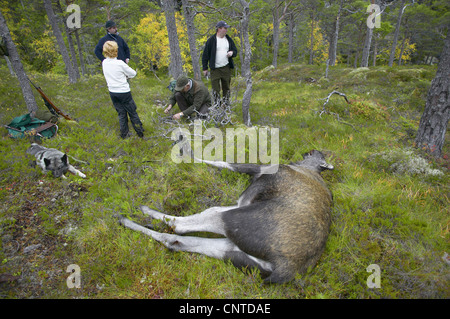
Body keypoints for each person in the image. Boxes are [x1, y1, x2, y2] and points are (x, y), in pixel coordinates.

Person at [102, 41, 144, 139]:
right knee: (132, 112)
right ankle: (140, 132)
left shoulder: (104, 63)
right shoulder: (120, 63)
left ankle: (124, 134)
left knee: (121, 113)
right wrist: (126, 75)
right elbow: (133, 73)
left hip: (112, 92)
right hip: (123, 92)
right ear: (116, 50)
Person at [202, 21, 238, 103]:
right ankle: (217, 106)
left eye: (226, 28)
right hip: (215, 69)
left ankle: (226, 105)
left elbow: (235, 51)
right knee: (216, 90)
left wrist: (232, 53)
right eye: (224, 28)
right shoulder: (211, 40)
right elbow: (205, 55)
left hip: (226, 67)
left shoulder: (228, 39)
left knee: (227, 88)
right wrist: (205, 68)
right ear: (219, 29)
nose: (226, 30)